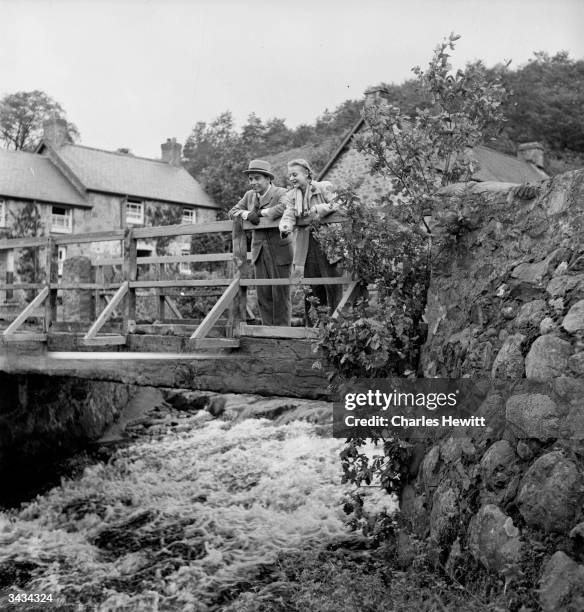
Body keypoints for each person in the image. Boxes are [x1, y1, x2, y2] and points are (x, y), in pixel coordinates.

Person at [229, 159, 292, 326]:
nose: (253, 182)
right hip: (259, 251)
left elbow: (286, 207)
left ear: (268, 179)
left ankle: (283, 335)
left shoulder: (281, 192)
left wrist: (261, 213)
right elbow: (232, 212)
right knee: (263, 294)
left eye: (257, 178)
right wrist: (246, 214)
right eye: (251, 179)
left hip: (280, 251)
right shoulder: (249, 196)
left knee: (281, 294)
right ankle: (268, 333)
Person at [279, 159, 343, 322]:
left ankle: (336, 325)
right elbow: (289, 213)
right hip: (307, 245)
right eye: (290, 176)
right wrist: (286, 225)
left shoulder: (323, 187)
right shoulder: (292, 195)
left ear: (306, 173)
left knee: (332, 285)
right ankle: (314, 327)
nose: (292, 178)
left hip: (326, 243)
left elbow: (338, 203)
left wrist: (318, 209)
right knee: (312, 287)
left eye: (295, 174)